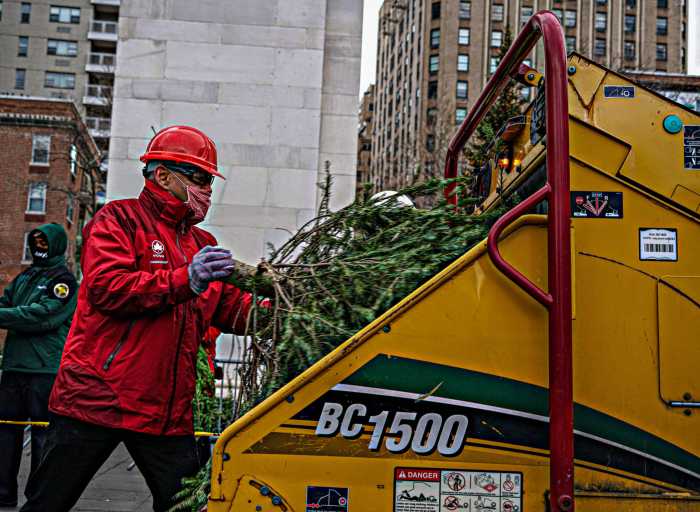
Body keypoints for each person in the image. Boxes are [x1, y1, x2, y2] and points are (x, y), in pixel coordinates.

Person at [21, 126, 254, 512]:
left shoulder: (202, 244)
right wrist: (186, 279)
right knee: (47, 503)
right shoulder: (118, 220)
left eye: (210, 181)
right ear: (162, 175)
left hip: (164, 413)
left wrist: (288, 310)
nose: (207, 190)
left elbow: (231, 308)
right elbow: (108, 288)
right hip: (95, 401)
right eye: (200, 178)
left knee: (185, 507)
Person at [0, 224, 77, 508]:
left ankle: (39, 499)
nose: (39, 247)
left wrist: (6, 315)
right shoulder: (24, 278)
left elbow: (43, 316)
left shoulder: (64, 282)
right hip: (14, 368)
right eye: (36, 242)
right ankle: (3, 493)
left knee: (43, 435)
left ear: (56, 244)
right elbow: (6, 304)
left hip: (45, 370)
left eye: (44, 242)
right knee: (5, 432)